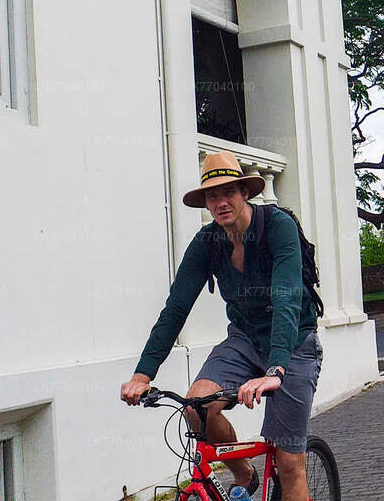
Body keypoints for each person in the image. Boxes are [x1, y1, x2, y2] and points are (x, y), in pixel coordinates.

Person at [120, 151, 321, 501]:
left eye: (229, 191)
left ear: (245, 193)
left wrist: (276, 368)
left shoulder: (277, 226)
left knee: (289, 464)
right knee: (195, 406)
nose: (221, 201)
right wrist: (142, 374)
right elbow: (176, 309)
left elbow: (287, 297)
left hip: (294, 344)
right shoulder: (206, 243)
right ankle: (244, 473)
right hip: (243, 341)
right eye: (212, 195)